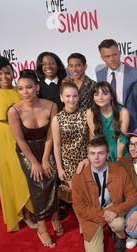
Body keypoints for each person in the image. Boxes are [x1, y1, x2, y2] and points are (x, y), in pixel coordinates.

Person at [7, 69, 61, 248]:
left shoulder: (51, 105)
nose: (25, 92)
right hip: (27, 151)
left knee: (52, 180)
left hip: (47, 146)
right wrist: (35, 163)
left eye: (29, 87)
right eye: (21, 88)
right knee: (38, 185)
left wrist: (45, 159)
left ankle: (54, 218)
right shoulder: (14, 111)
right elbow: (20, 140)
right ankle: (41, 228)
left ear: (37, 87)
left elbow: (51, 135)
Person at [0, 56, 34, 232]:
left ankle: (30, 211)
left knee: (26, 173)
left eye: (7, 73)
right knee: (12, 176)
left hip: (23, 135)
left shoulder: (20, 91)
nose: (4, 77)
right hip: (2, 137)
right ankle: (22, 215)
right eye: (0, 74)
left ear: (13, 73)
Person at [71, 137, 137, 252]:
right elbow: (79, 207)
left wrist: (115, 210)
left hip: (111, 207)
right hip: (91, 214)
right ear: (87, 156)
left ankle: (118, 236)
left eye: (100, 153)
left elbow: (133, 197)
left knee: (119, 224)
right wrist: (103, 215)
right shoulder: (78, 177)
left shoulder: (119, 171)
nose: (96, 157)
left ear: (107, 155)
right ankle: (103, 230)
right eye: (92, 153)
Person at [51, 80, 89, 234]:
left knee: (89, 192)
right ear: (61, 98)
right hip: (68, 164)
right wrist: (60, 168)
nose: (71, 99)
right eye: (67, 96)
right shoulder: (57, 119)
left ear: (78, 97)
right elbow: (57, 145)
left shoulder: (86, 113)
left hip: (86, 161)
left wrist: (89, 158)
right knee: (76, 196)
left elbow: (93, 137)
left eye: (74, 96)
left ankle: (91, 217)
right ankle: (81, 222)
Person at [96, 39, 137, 131]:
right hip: (108, 126)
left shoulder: (135, 74)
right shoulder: (99, 75)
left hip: (131, 125)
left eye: (114, 55)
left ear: (120, 53)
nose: (112, 59)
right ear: (102, 58)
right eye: (107, 56)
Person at [86, 81, 130, 162]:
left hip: (120, 154)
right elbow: (96, 137)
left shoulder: (123, 112)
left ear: (112, 96)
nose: (100, 98)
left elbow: (122, 139)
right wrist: (104, 157)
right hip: (101, 154)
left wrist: (118, 159)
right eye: (96, 94)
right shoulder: (90, 113)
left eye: (104, 94)